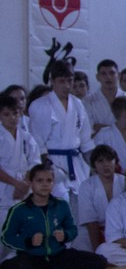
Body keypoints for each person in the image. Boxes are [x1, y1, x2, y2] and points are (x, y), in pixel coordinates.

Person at [1, 163, 108, 269]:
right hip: (32, 257)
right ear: (31, 183)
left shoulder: (61, 205)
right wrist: (28, 241)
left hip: (58, 255)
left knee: (99, 262)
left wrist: (65, 235)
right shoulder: (20, 210)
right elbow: (7, 237)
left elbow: (72, 229)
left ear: (53, 183)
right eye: (40, 181)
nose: (45, 184)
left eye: (49, 181)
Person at [26, 61, 93, 198]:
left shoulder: (78, 104)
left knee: (80, 204)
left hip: (76, 165)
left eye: (70, 80)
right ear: (52, 81)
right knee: (59, 202)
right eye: (62, 81)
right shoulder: (40, 106)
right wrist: (49, 168)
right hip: (52, 164)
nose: (67, 86)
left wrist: (95, 166)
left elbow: (86, 141)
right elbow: (37, 144)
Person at [74, 145, 124, 252]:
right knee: (81, 244)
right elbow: (90, 221)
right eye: (100, 161)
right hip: (92, 231)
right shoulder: (86, 186)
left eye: (109, 159)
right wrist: (97, 252)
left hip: (121, 230)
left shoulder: (124, 182)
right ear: (94, 165)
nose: (105, 164)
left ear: (115, 162)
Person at [0, 93, 41, 204]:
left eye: (15, 113)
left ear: (20, 113)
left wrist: (25, 183)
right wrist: (16, 184)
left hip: (25, 187)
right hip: (3, 188)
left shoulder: (26, 137)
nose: (12, 118)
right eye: (6, 114)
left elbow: (35, 161)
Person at [85, 59, 121, 134]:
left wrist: (100, 127)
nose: (108, 77)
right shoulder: (88, 101)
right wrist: (120, 129)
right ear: (97, 77)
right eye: (103, 74)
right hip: (97, 141)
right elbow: (88, 127)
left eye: (112, 73)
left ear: (119, 75)